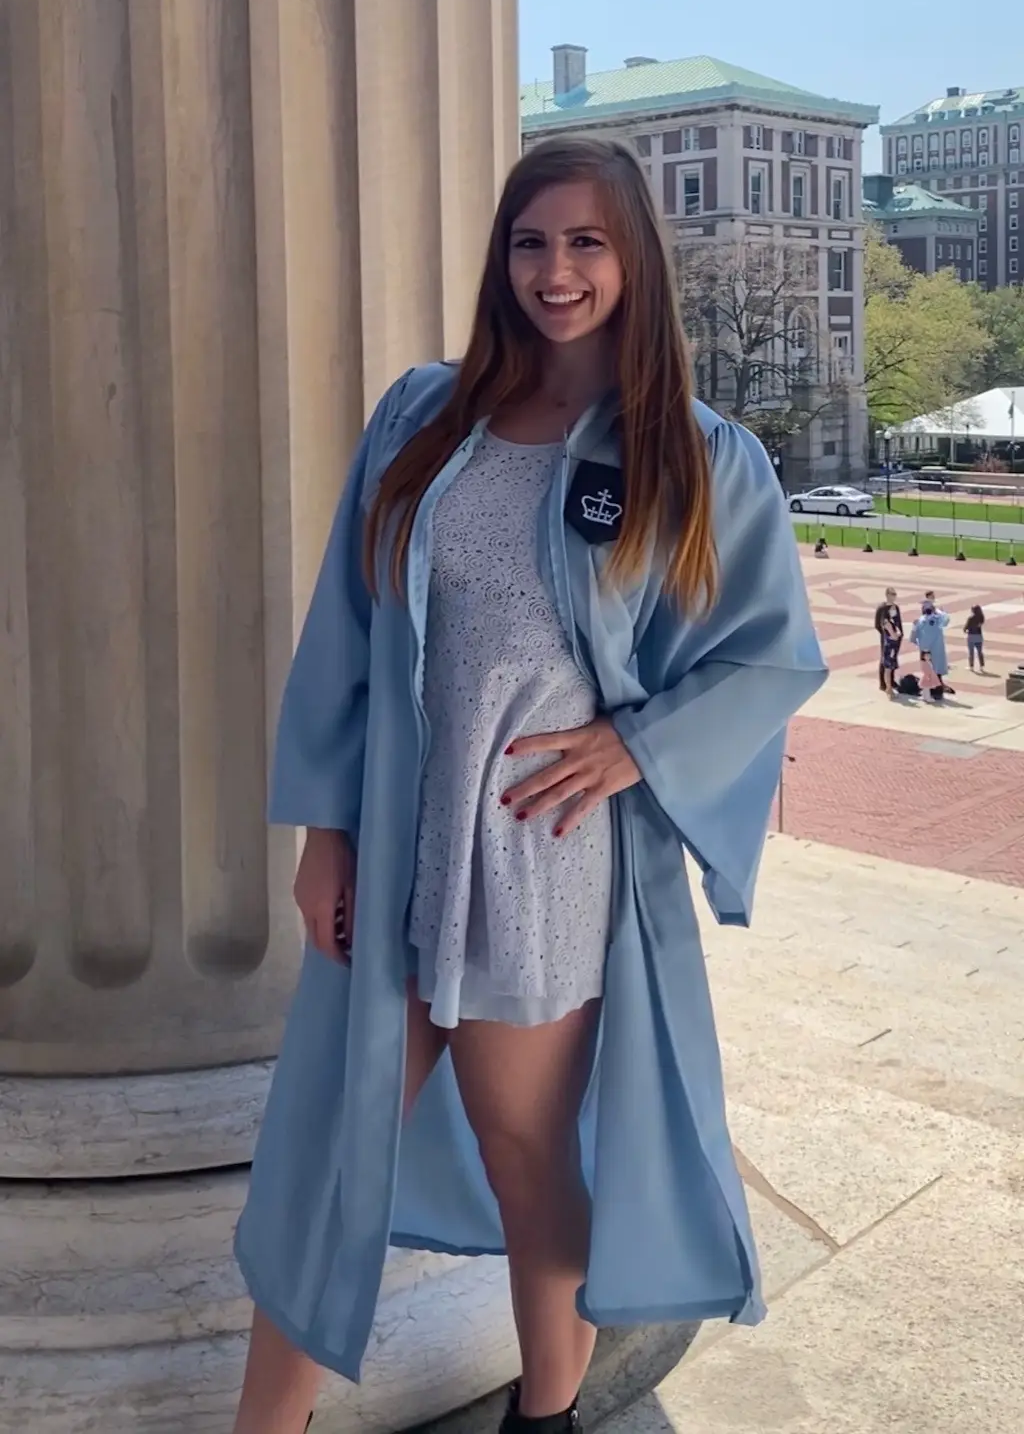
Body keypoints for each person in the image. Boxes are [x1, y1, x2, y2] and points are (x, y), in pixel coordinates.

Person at [230, 136, 827, 1434]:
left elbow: (770, 654)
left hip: (545, 866)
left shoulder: (697, 457)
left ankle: (545, 1417)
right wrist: (323, 830)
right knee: (328, 1166)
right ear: (503, 260)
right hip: (396, 843)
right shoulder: (422, 417)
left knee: (528, 1166)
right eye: (532, 242)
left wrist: (641, 746)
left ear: (635, 262)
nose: (557, 271)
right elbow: (345, 625)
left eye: (588, 243)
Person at [910, 597, 951, 700]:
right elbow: (946, 619)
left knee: (927, 673)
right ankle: (937, 693)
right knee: (937, 672)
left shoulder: (919, 621)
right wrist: (940, 611)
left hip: (925, 651)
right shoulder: (938, 620)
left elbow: (913, 638)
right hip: (937, 651)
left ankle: (927, 694)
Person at [873, 586, 903, 694]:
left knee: (893, 658)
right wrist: (885, 634)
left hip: (896, 637)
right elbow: (877, 624)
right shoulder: (882, 608)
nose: (894, 597)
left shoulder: (896, 607)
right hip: (887, 637)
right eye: (892, 594)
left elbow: (898, 622)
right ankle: (883, 682)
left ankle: (891, 680)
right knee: (885, 659)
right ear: (887, 595)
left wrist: (899, 634)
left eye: (895, 595)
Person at [964, 604, 986, 671]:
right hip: (979, 636)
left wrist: (965, 630)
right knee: (980, 652)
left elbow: (966, 627)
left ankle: (971, 666)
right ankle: (981, 666)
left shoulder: (970, 618)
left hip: (971, 636)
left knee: (971, 652)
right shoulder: (981, 617)